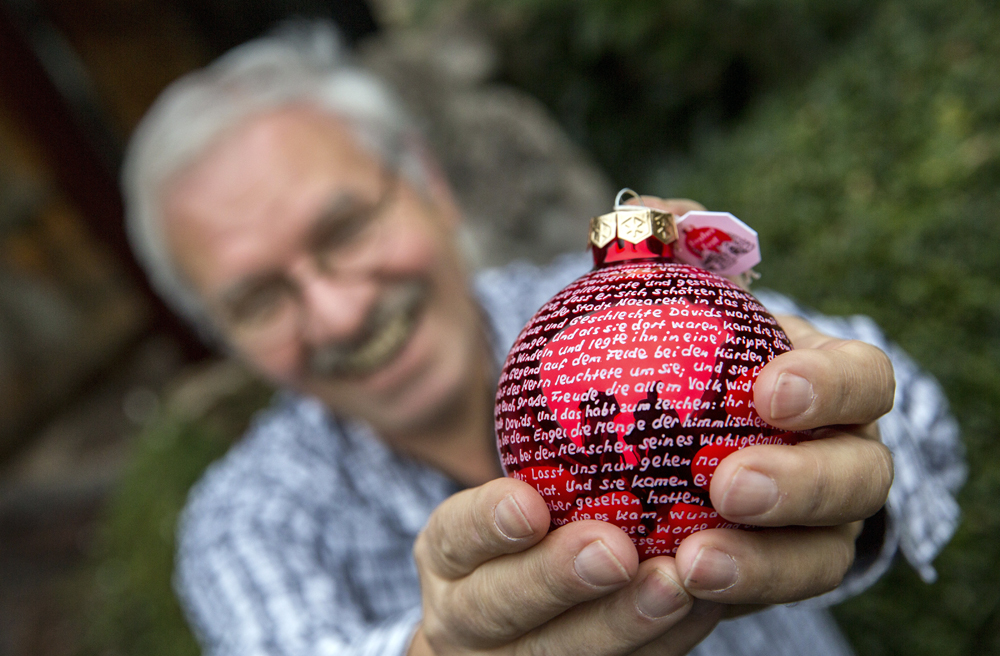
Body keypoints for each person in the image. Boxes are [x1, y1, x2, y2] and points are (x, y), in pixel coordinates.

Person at [122, 22, 964, 656]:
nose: (338, 313)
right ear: (222, 338)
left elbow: (916, 416)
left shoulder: (637, 312)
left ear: (430, 187)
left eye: (344, 228)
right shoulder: (249, 522)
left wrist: (852, 462)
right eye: (260, 298)